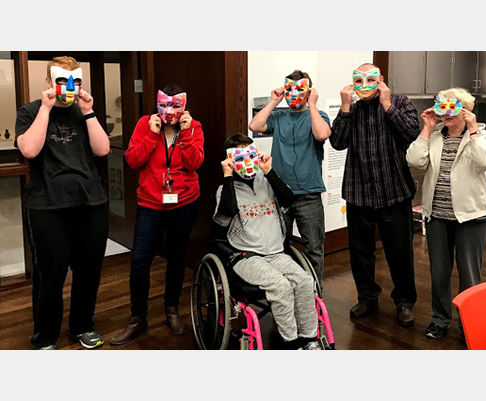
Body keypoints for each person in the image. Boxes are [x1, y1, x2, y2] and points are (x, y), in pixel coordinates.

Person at [15, 56, 110, 350]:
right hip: (48, 205)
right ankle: (45, 336)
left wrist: (89, 111)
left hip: (90, 202)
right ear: (48, 81)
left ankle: (82, 325)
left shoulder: (84, 112)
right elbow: (29, 150)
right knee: (50, 275)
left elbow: (103, 149)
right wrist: (45, 108)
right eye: (61, 80)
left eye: (76, 81)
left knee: (89, 271)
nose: (69, 87)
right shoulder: (29, 111)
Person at [110, 84, 204, 346]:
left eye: (176, 105)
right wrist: (151, 136)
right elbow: (132, 161)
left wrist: (185, 134)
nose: (170, 111)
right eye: (165, 105)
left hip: (184, 202)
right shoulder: (144, 124)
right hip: (150, 203)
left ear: (184, 106)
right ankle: (137, 318)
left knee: (176, 256)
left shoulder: (193, 127)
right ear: (157, 104)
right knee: (140, 260)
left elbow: (194, 163)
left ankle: (171, 310)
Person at [329, 63, 420, 326]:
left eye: (371, 79)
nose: (365, 84)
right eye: (359, 80)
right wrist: (344, 108)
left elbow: (411, 133)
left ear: (380, 80)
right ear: (353, 83)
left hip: (394, 191)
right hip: (359, 192)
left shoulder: (400, 102)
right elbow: (337, 143)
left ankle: (404, 302)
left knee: (400, 251)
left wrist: (388, 104)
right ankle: (367, 297)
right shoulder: (353, 110)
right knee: (360, 251)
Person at [213, 133, 322, 350]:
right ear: (231, 160)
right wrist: (227, 176)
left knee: (304, 280)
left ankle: (310, 340)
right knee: (280, 286)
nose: (248, 162)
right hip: (246, 256)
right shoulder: (224, 190)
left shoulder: (267, 181)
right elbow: (226, 214)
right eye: (240, 157)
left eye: (250, 155)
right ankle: (291, 343)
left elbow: (289, 200)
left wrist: (269, 171)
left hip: (276, 252)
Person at [406, 88, 486, 340]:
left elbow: (485, 162)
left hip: (472, 217)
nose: (445, 112)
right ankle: (440, 318)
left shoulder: (481, 136)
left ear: (465, 109)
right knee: (439, 271)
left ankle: (469, 321)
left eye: (451, 107)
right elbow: (415, 162)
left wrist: (473, 129)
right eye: (441, 106)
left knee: (470, 273)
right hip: (437, 216)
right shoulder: (435, 136)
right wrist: (426, 128)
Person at [248, 70, 331, 284]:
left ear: (309, 91)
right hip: (279, 194)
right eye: (289, 89)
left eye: (299, 89)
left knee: (313, 247)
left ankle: (314, 294)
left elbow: (322, 134)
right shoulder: (279, 116)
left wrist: (312, 104)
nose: (293, 94)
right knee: (278, 246)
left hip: (309, 194)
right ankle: (286, 289)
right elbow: (254, 126)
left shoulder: (319, 115)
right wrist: (274, 101)